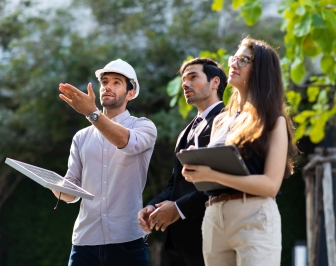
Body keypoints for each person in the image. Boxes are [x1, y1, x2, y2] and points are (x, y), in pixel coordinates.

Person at [180, 38, 297, 266]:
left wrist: (211, 175)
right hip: (214, 215)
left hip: (254, 214)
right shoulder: (220, 121)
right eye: (234, 58)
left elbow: (271, 185)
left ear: (261, 70)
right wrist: (197, 166)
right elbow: (216, 173)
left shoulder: (274, 120)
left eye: (243, 60)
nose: (233, 63)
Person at [55, 59, 157, 266]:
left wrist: (92, 113)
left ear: (130, 93)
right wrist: (55, 187)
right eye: (105, 82)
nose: (108, 86)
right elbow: (71, 192)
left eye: (116, 82)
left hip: (127, 241)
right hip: (84, 242)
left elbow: (125, 142)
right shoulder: (81, 137)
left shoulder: (144, 126)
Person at [137, 58, 227, 266]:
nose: (185, 84)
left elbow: (223, 179)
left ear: (215, 83)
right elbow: (175, 182)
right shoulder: (186, 130)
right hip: (177, 243)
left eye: (193, 77)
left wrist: (178, 208)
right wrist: (152, 206)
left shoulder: (227, 121)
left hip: (210, 236)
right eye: (183, 79)